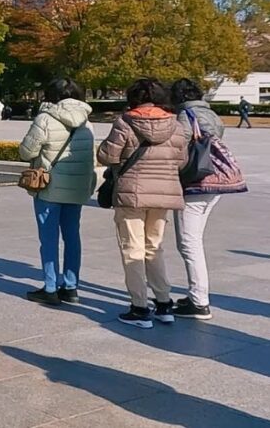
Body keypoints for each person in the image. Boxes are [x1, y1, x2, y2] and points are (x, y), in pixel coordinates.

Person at [98, 78, 188, 329]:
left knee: (132, 248)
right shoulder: (176, 124)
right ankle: (163, 303)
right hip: (164, 194)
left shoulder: (125, 122)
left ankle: (139, 307)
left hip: (132, 193)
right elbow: (182, 161)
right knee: (155, 247)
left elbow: (107, 155)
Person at [17, 78, 97, 306]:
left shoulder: (44, 119)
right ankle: (71, 287)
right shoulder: (87, 122)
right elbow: (89, 158)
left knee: (49, 239)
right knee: (73, 237)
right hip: (77, 188)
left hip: (49, 187)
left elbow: (26, 151)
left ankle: (50, 287)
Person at [170, 79, 225, 320]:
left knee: (188, 243)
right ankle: (197, 294)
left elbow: (179, 149)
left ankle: (199, 300)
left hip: (194, 184)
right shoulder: (211, 114)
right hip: (214, 182)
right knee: (194, 241)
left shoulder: (186, 115)